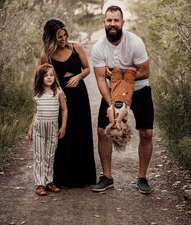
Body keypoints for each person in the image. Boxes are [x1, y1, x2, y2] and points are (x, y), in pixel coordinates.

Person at [91, 5, 154, 194]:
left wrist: (123, 75)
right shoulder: (98, 47)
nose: (112, 24)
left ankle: (142, 178)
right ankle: (107, 177)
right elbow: (101, 79)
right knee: (102, 131)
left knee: (147, 133)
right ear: (104, 22)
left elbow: (145, 71)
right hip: (112, 90)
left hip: (140, 89)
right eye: (109, 20)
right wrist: (112, 103)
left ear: (122, 23)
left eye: (115, 20)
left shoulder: (135, 42)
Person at [40, 19, 96, 188]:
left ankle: (82, 176)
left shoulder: (76, 47)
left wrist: (78, 77)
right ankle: (61, 177)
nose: (63, 39)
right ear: (51, 38)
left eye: (65, 35)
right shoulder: (46, 55)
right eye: (59, 37)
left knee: (80, 132)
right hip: (59, 97)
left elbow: (87, 68)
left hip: (79, 95)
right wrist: (57, 89)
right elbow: (42, 78)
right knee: (62, 134)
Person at [27, 63, 68, 196]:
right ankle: (40, 184)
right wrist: (30, 129)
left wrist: (63, 127)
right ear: (40, 78)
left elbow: (64, 109)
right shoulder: (37, 94)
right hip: (39, 127)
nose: (49, 77)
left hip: (53, 128)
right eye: (46, 75)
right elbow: (35, 112)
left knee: (50, 155)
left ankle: (49, 181)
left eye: (51, 75)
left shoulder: (58, 92)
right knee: (39, 156)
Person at [105, 67, 136, 151]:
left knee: (116, 70)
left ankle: (118, 64)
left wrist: (112, 120)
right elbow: (124, 111)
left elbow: (109, 109)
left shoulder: (112, 116)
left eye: (112, 128)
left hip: (115, 88)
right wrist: (118, 120)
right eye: (118, 128)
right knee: (131, 71)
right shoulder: (124, 118)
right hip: (127, 89)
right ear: (125, 127)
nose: (115, 125)